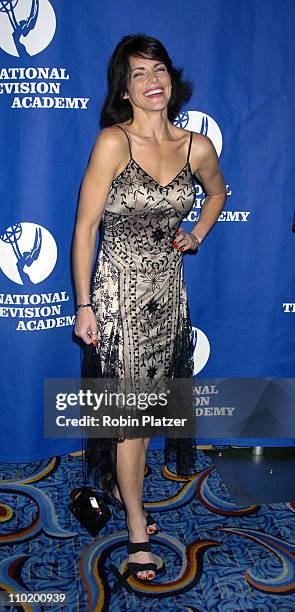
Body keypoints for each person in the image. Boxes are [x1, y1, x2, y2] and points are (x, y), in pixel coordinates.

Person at [72, 34, 227, 587]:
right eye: (137, 73)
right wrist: (85, 303)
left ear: (171, 78)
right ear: (125, 87)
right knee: (132, 419)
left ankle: (121, 484)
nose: (151, 80)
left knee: (149, 410)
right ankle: (138, 525)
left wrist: (198, 234)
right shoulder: (113, 143)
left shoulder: (197, 147)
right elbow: (86, 227)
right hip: (118, 297)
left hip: (169, 296)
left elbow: (216, 193)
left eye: (157, 68)